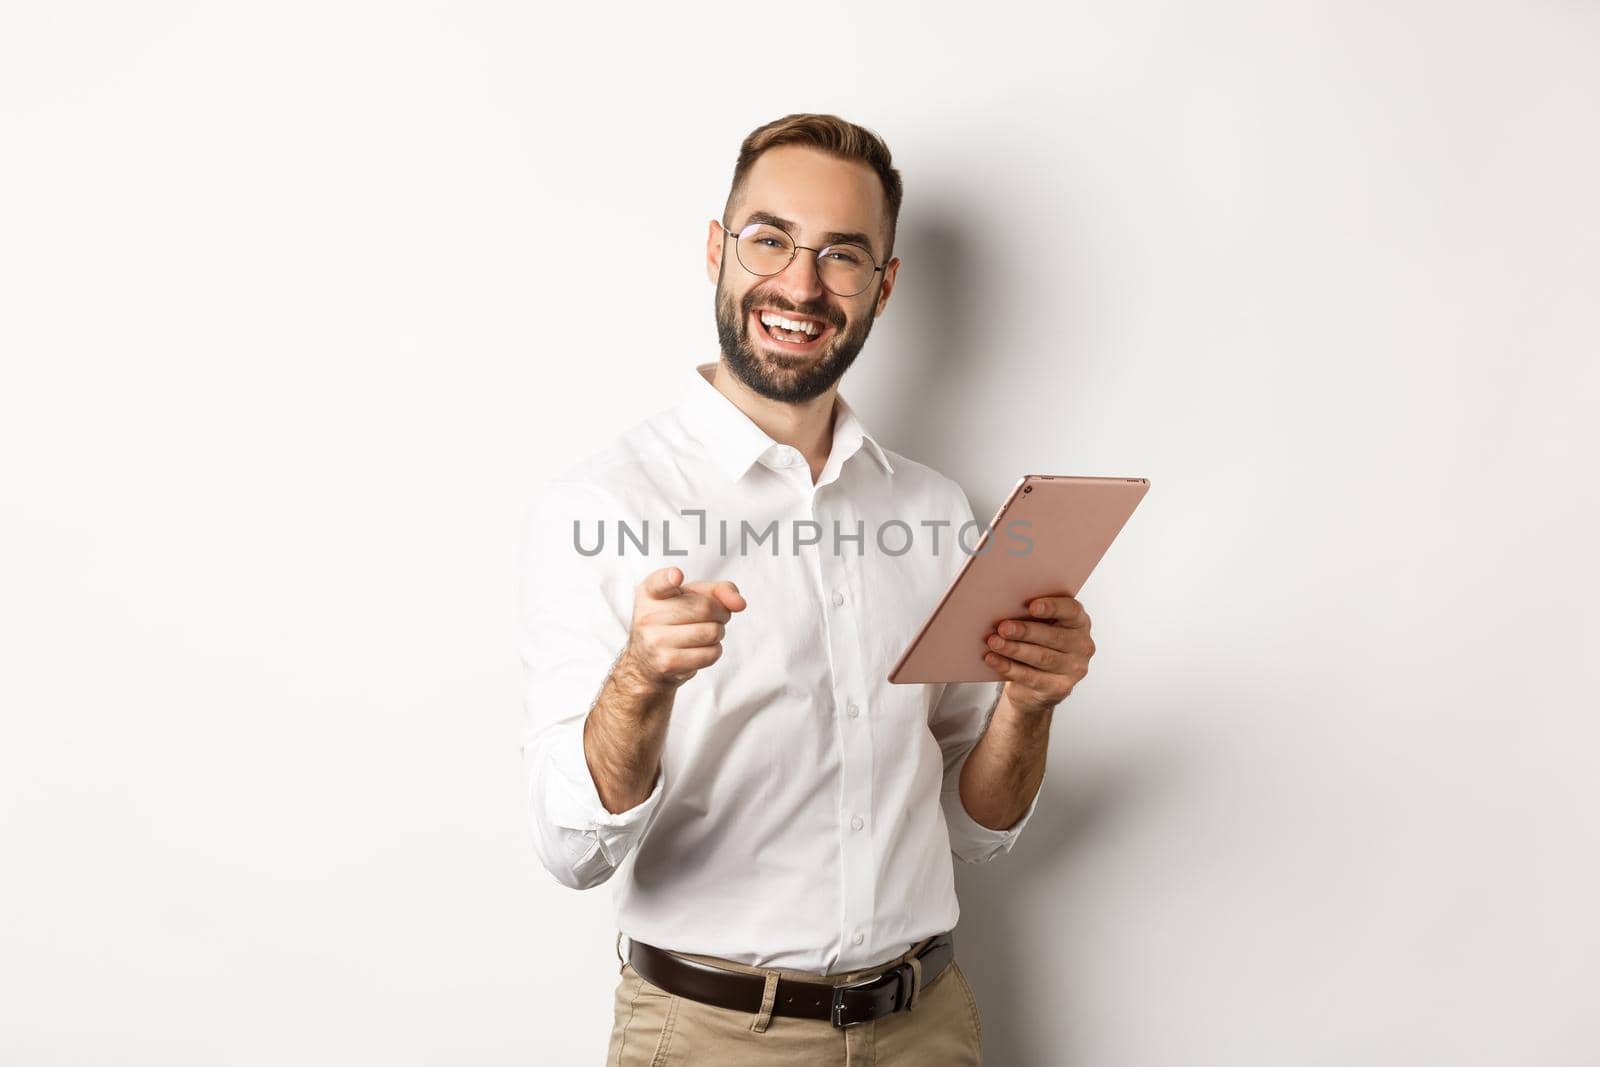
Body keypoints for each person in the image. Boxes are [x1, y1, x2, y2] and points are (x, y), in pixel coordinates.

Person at [518, 113, 1096, 1066]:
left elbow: (971, 827)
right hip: (710, 1038)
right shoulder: (601, 505)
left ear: (885, 285)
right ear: (718, 249)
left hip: (927, 1027)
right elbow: (570, 850)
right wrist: (641, 680)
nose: (800, 283)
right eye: (771, 239)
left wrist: (1028, 707)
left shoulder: (937, 508)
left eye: (843, 255)